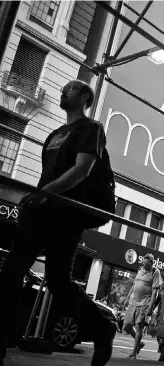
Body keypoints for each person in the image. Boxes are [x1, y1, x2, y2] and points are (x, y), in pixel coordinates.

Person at [0, 79, 117, 366]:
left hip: (65, 214)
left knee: (57, 280)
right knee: (12, 271)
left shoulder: (91, 129)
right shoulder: (54, 133)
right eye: (64, 88)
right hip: (40, 211)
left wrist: (45, 194)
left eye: (71, 89)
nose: (64, 91)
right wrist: (37, 197)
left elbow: (82, 170)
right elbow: (48, 172)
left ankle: (102, 328)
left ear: (84, 97)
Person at [123, 254, 161, 359]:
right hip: (133, 301)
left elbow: (154, 292)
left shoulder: (155, 272)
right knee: (126, 325)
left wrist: (151, 307)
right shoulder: (140, 269)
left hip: (145, 302)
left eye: (145, 263)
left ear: (151, 263)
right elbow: (134, 284)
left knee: (139, 326)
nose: (143, 264)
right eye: (143, 262)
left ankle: (134, 353)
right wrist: (127, 297)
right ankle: (139, 344)